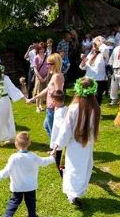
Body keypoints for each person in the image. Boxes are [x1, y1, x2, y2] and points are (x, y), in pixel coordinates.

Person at [51, 77, 101, 207]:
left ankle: (73, 194)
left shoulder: (74, 108)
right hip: (87, 143)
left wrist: (57, 145)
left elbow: (66, 128)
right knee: (84, 166)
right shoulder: (95, 107)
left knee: (73, 168)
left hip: (75, 143)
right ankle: (76, 192)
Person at [0, 132, 54, 217]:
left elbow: (6, 171)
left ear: (16, 144)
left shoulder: (14, 158)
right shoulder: (33, 156)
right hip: (30, 186)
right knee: (31, 202)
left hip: (17, 187)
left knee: (14, 202)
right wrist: (53, 157)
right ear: (29, 143)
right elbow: (44, 162)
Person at [27, 53, 65, 144]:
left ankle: (55, 151)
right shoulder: (55, 75)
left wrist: (56, 109)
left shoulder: (57, 77)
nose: (47, 66)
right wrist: (33, 99)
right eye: (46, 64)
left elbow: (58, 94)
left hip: (53, 108)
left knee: (53, 131)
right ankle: (56, 148)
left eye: (49, 64)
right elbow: (47, 90)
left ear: (56, 64)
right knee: (47, 126)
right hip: (50, 107)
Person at [0, 62, 25, 147]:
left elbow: (12, 88)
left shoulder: (5, 78)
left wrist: (24, 98)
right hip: (0, 102)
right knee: (6, 120)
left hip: (4, 101)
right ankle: (11, 138)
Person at [79, 40, 107, 105]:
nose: (94, 46)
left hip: (99, 80)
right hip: (88, 79)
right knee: (87, 98)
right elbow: (82, 67)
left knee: (97, 99)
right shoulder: (90, 54)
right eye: (93, 45)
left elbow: (105, 48)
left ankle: (96, 113)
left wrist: (99, 42)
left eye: (95, 45)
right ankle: (89, 113)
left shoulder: (103, 54)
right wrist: (83, 60)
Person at [49, 90, 67, 177]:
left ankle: (64, 177)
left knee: (59, 162)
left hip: (59, 142)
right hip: (62, 141)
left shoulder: (60, 112)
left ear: (55, 100)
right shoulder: (65, 108)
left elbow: (62, 128)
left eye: (52, 100)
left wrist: (55, 148)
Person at [33, 42, 50, 113]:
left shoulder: (47, 56)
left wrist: (47, 77)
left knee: (45, 91)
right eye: (40, 49)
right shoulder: (36, 57)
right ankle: (37, 107)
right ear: (38, 49)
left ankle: (41, 105)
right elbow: (35, 69)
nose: (42, 50)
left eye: (43, 48)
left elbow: (49, 67)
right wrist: (40, 77)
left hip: (46, 76)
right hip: (38, 77)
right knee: (38, 92)